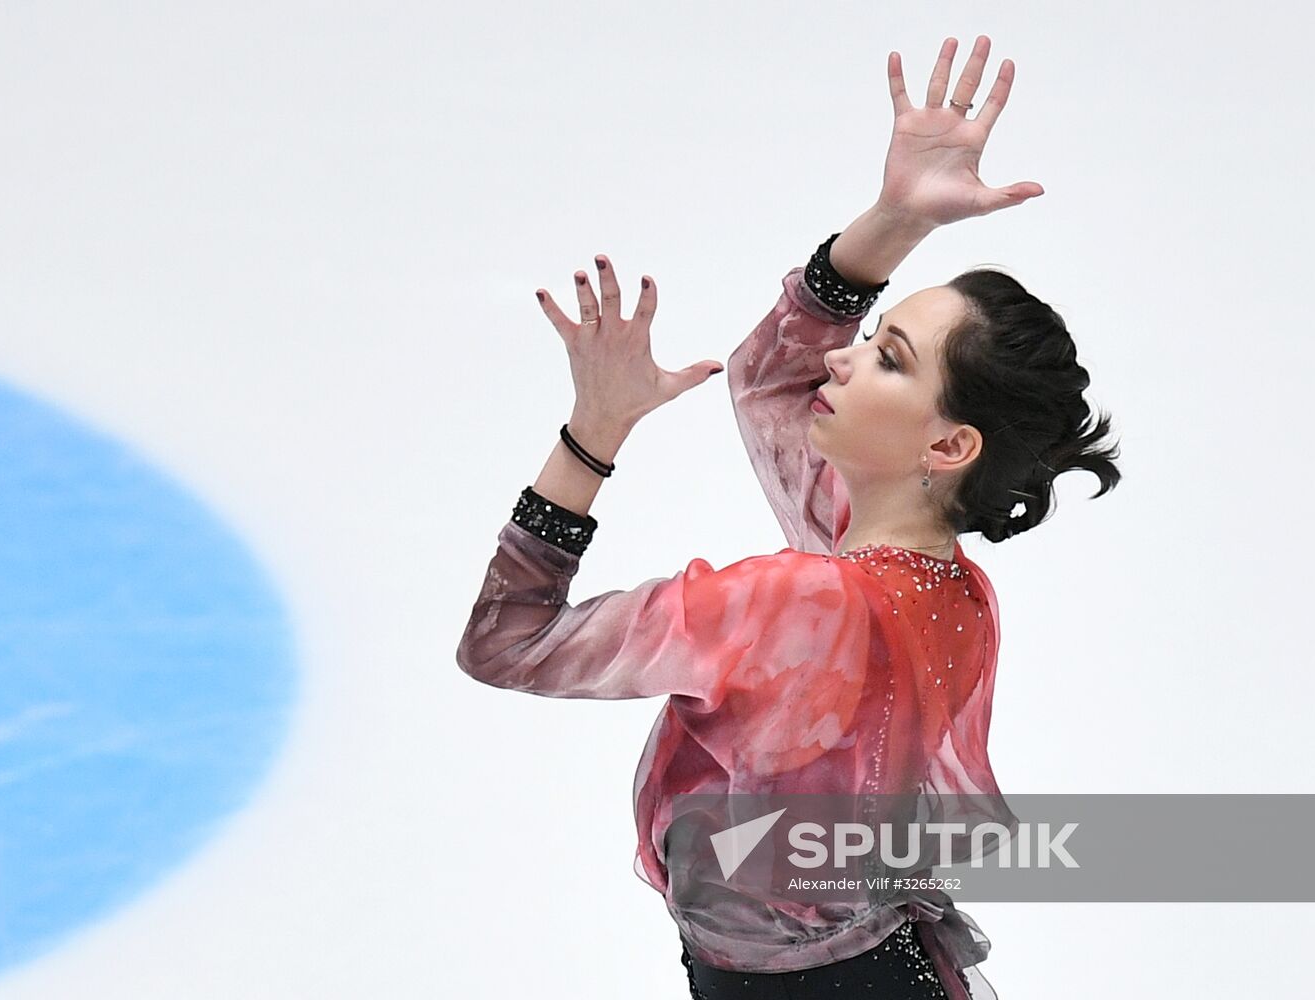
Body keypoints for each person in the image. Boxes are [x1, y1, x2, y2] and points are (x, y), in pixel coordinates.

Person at [455, 35, 1121, 1000]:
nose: (842, 360)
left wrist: (591, 438)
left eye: (887, 357)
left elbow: (505, 642)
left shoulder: (787, 602)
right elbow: (772, 378)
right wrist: (892, 218)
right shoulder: (944, 586)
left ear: (948, 448)